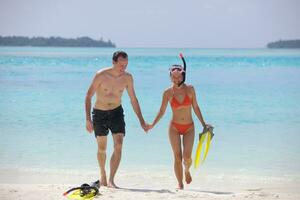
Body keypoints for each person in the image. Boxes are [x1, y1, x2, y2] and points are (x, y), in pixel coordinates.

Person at [85, 51, 148, 188]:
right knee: (102, 148)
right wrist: (88, 119)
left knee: (118, 145)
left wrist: (141, 121)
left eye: (125, 65)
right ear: (113, 62)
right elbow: (88, 96)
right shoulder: (101, 75)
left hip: (116, 112)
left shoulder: (127, 78)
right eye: (120, 65)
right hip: (99, 113)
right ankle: (103, 174)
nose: (123, 68)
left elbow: (133, 100)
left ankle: (111, 180)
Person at [148, 59, 211, 190]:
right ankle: (180, 184)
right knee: (177, 156)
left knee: (187, 157)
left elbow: (196, 107)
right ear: (170, 77)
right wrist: (152, 124)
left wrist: (204, 124)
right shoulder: (167, 92)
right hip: (174, 127)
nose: (176, 79)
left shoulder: (190, 89)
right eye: (173, 77)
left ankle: (187, 170)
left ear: (183, 75)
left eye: (178, 77)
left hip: (189, 127)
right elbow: (161, 111)